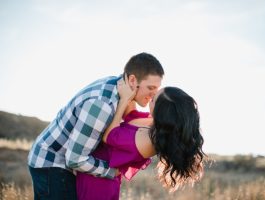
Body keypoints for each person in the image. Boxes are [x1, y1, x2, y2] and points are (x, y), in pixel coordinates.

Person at [27, 52, 164, 200]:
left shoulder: (119, 87)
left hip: (59, 160)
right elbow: (74, 159)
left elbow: (130, 117)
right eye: (151, 87)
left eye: (157, 88)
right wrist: (112, 172)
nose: (154, 94)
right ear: (132, 80)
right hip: (53, 164)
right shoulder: (102, 106)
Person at [76, 77, 205, 200]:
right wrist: (134, 86)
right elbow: (130, 115)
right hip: (89, 169)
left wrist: (123, 100)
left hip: (97, 185)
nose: (150, 97)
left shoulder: (149, 142)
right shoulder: (152, 122)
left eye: (154, 98)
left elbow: (108, 137)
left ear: (162, 113)